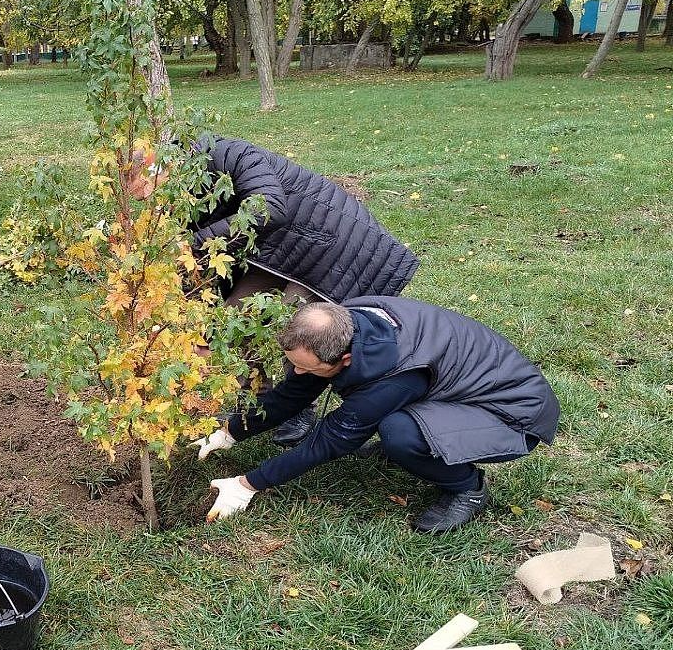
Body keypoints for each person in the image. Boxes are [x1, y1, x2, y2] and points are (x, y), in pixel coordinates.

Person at [128, 135, 419, 445]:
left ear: (162, 166)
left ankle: (298, 408)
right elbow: (203, 254)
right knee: (232, 322)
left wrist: (190, 244)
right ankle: (258, 402)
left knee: (296, 329)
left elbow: (269, 208)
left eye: (151, 191)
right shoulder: (183, 192)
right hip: (278, 253)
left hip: (335, 249)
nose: (152, 202)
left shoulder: (228, 155)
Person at [195, 298, 560, 534]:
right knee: (385, 422)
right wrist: (229, 432)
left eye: (306, 367)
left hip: (511, 414)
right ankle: (428, 440)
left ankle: (467, 488)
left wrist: (248, 484)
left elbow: (330, 440)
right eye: (294, 363)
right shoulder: (344, 326)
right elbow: (292, 395)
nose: (298, 373)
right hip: (455, 391)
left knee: (399, 432)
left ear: (346, 360)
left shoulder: (396, 375)